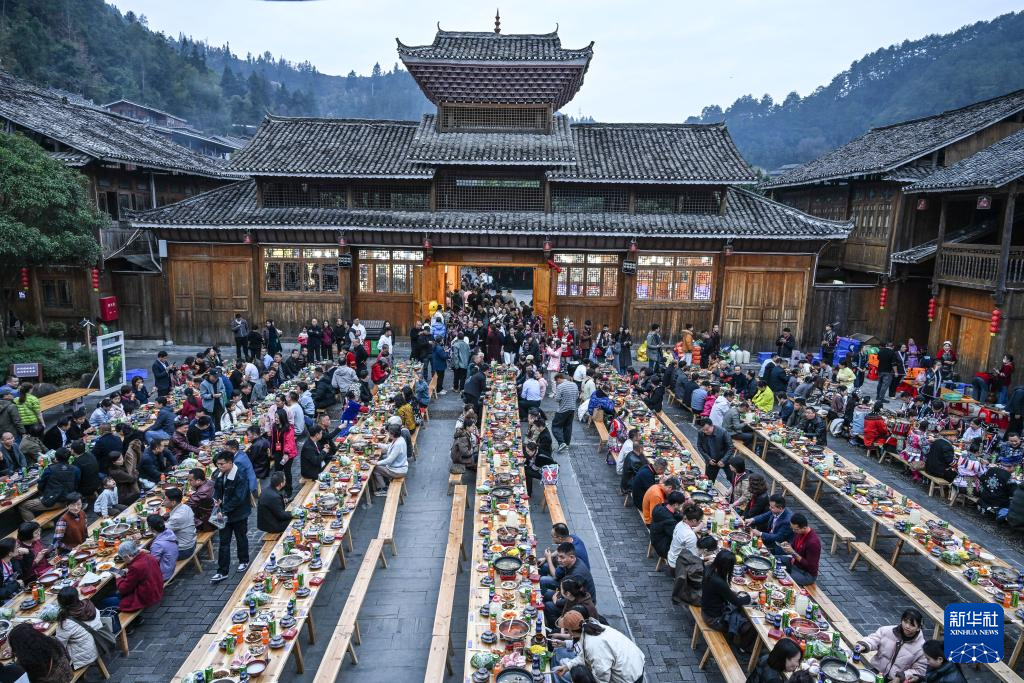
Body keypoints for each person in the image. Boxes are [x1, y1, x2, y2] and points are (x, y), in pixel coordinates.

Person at [552, 611, 645, 683]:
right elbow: (584, 655)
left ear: (571, 632)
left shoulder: (594, 647)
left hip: (629, 677)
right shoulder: (593, 627)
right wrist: (567, 666)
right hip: (633, 666)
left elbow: (602, 678)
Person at [210, 451, 252, 583]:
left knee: (241, 537)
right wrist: (216, 500)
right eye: (218, 464)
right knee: (224, 542)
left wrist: (224, 510)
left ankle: (244, 560)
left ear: (230, 462)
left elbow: (238, 498)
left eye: (222, 464)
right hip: (223, 513)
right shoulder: (219, 473)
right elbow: (217, 489)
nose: (219, 466)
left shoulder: (240, 475)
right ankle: (222, 571)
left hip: (239, 514)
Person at [854, 609, 928, 682]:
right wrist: (863, 645)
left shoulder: (922, 648)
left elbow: (919, 670)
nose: (907, 626)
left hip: (896, 680)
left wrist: (901, 677)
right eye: (905, 622)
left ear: (919, 628)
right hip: (877, 671)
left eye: (912, 625)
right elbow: (874, 639)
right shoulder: (887, 630)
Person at [700, 550, 754, 648]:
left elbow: (720, 592)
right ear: (727, 567)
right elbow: (737, 602)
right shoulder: (719, 582)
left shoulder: (709, 569)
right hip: (713, 619)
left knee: (741, 612)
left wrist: (730, 591)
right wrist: (750, 596)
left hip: (706, 610)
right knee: (751, 627)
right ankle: (742, 648)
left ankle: (736, 637)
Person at [543, 543, 596, 628]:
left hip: (582, 604)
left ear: (571, 557)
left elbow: (573, 598)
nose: (559, 560)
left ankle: (556, 628)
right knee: (547, 595)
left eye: (562, 557)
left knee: (549, 606)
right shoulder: (570, 562)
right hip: (571, 593)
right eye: (558, 557)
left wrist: (557, 601)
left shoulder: (577, 574)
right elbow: (557, 576)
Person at [21, 447, 79, 521]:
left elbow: (40, 487)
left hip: (56, 501)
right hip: (70, 498)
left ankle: (33, 526)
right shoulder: (75, 469)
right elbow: (76, 485)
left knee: (23, 506)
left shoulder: (50, 469)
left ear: (56, 458)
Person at [106, 539, 164, 613]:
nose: (123, 560)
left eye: (123, 558)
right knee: (113, 594)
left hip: (146, 597)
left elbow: (123, 589)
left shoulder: (135, 567)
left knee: (106, 602)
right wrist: (128, 571)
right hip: (156, 589)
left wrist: (118, 577)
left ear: (127, 556)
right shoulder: (149, 556)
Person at [54, 586, 104, 672]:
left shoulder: (66, 622)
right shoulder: (89, 605)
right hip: (100, 644)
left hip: (85, 657)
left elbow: (59, 645)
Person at [7, 623, 72, 683]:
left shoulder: (25, 662)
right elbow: (68, 658)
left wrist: (14, 655)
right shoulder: (52, 640)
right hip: (68, 675)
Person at [539, 524, 591, 589]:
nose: (552, 539)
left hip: (575, 583)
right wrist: (547, 557)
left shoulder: (570, 556)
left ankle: (544, 592)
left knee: (543, 580)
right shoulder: (572, 538)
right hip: (574, 571)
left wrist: (549, 558)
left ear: (560, 538)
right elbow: (561, 549)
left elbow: (555, 575)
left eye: (552, 536)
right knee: (544, 566)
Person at [777, 513, 820, 586]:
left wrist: (793, 553)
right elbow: (794, 546)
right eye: (792, 528)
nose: (793, 531)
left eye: (796, 529)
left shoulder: (813, 543)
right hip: (794, 563)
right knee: (773, 559)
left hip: (805, 573)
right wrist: (787, 546)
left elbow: (810, 566)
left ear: (804, 528)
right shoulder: (799, 532)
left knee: (782, 579)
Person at [372, 421, 408, 496]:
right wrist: (377, 444)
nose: (388, 433)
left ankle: (383, 489)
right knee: (381, 460)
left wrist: (376, 463)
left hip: (398, 471)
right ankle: (385, 482)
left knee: (375, 469)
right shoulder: (399, 439)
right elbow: (388, 446)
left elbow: (389, 460)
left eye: (389, 432)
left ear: (393, 434)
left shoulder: (398, 444)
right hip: (400, 466)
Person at [270, 407, 298, 499]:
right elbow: (273, 439)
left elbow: (289, 442)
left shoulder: (288, 428)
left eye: (277, 418)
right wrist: (272, 450)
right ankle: (278, 488)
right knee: (277, 471)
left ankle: (288, 490)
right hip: (278, 452)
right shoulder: (274, 426)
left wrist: (286, 453)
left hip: (288, 454)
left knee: (287, 471)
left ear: (282, 418)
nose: (276, 419)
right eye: (275, 417)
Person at [696, 418, 734, 485]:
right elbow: (699, 446)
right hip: (711, 460)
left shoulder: (723, 432)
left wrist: (723, 460)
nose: (705, 432)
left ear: (712, 425)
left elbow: (730, 447)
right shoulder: (701, 433)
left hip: (725, 458)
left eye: (707, 429)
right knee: (708, 481)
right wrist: (708, 459)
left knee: (732, 479)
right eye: (703, 430)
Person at [164, 488, 196, 559]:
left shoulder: (177, 517)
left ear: (173, 502)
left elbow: (162, 531)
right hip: (191, 542)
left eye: (165, 500)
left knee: (155, 552)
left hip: (184, 550)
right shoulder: (185, 507)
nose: (163, 502)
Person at [552, 374, 579, 451]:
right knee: (568, 427)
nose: (557, 383)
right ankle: (566, 444)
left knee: (555, 426)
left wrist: (554, 397)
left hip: (562, 410)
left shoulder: (560, 386)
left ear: (559, 378)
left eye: (557, 381)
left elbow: (557, 399)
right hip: (572, 409)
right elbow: (577, 396)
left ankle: (561, 442)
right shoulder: (574, 385)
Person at [148, 514, 178, 582]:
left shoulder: (157, 544)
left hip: (163, 575)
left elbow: (152, 564)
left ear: (150, 528)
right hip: (170, 568)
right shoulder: (169, 532)